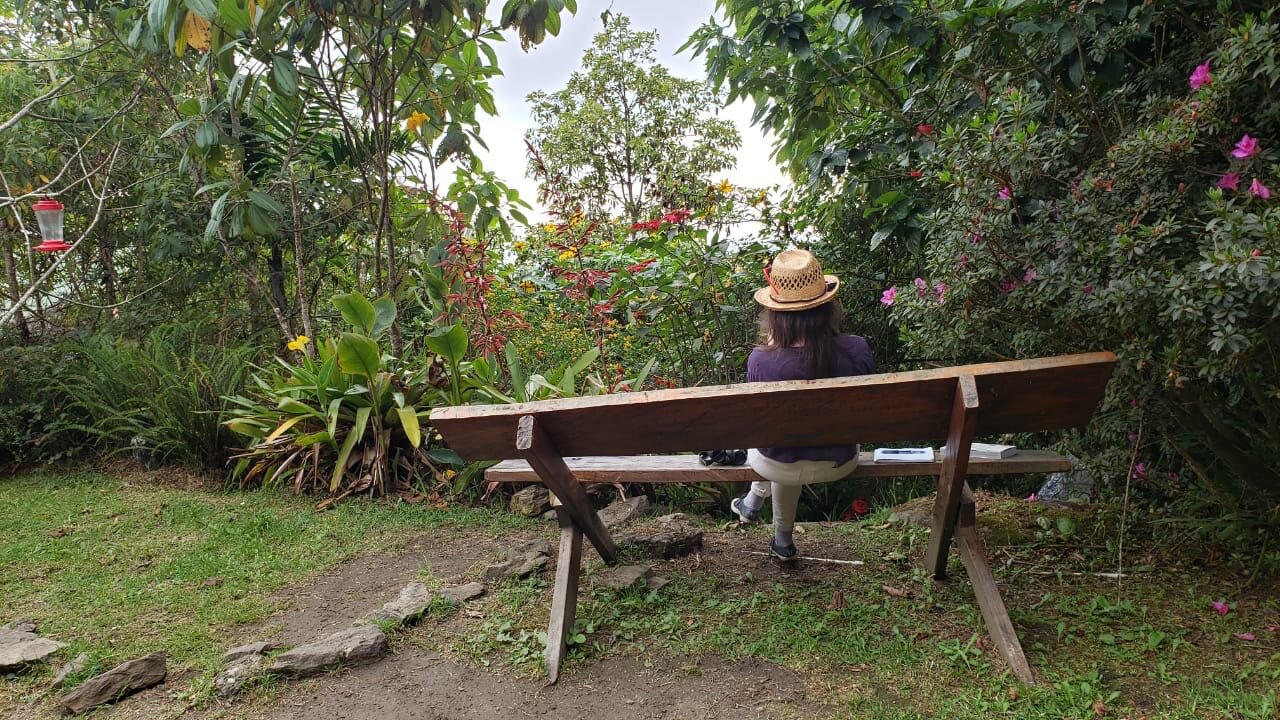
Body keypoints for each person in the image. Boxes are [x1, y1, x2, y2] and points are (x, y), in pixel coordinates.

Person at [730, 249, 876, 560]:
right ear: (827, 307)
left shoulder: (761, 361)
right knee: (787, 446)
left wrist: (773, 350)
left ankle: (773, 527)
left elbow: (762, 424)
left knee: (780, 449)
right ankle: (758, 513)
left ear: (776, 315)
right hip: (840, 461)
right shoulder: (857, 349)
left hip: (778, 464)